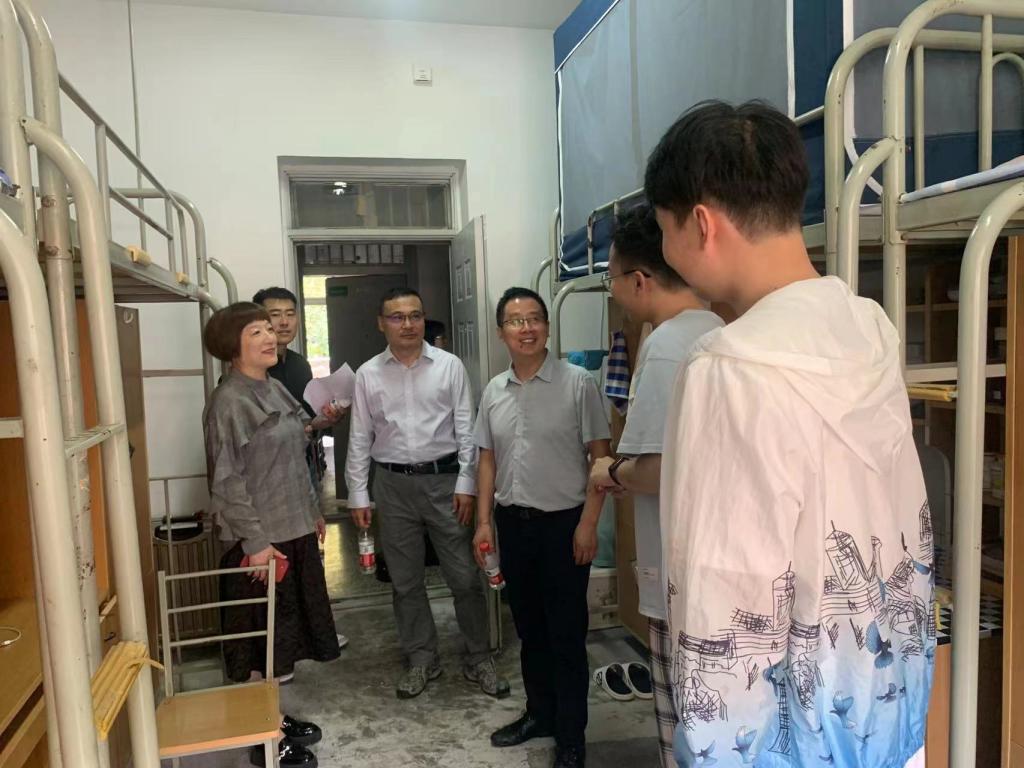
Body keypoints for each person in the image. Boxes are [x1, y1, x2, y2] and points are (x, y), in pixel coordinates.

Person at [644, 100, 933, 768]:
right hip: (888, 712)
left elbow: (724, 588)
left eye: (663, 230)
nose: (665, 251)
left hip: (793, 742)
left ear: (701, 224)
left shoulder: (727, 367)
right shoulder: (872, 328)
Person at [587, 204, 723, 768]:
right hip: (716, 560)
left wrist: (611, 472)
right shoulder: (717, 329)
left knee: (683, 723)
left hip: (679, 569)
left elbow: (660, 468)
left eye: (613, 279)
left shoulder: (667, 346)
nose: (615, 292)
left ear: (639, 279)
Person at [345, 287, 507, 700]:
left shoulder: (449, 366)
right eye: (397, 317)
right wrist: (358, 494)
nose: (408, 324)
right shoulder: (368, 374)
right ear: (381, 323)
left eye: (415, 316)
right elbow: (360, 436)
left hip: (445, 484)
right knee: (405, 581)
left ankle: (478, 655)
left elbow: (467, 429)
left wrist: (467, 484)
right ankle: (421, 658)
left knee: (464, 576)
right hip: (392, 486)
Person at [474, 287, 611, 768]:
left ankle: (571, 737)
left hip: (564, 527)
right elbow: (487, 460)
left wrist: (589, 525)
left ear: (548, 327)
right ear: (501, 333)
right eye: (515, 321)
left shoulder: (579, 383)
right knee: (529, 630)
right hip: (513, 525)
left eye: (534, 318)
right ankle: (540, 714)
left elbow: (600, 460)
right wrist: (483, 522)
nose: (526, 328)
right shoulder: (494, 390)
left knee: (566, 635)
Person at [203, 302, 342, 768]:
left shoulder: (273, 385)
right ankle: (263, 740)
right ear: (231, 345)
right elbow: (227, 482)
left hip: (292, 530)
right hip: (260, 544)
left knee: (282, 641)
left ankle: (274, 719)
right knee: (259, 646)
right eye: (256, 332)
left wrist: (311, 510)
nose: (270, 336)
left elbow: (294, 453)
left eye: (269, 329)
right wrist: (257, 543)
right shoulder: (230, 401)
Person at [253, 286, 349, 650]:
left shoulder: (298, 365)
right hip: (266, 477)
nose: (283, 322)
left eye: (290, 313)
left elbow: (305, 424)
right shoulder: (250, 370)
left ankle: (314, 631)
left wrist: (327, 419)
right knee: (274, 558)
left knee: (306, 551)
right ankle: (279, 644)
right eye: (273, 315)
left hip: (300, 468)